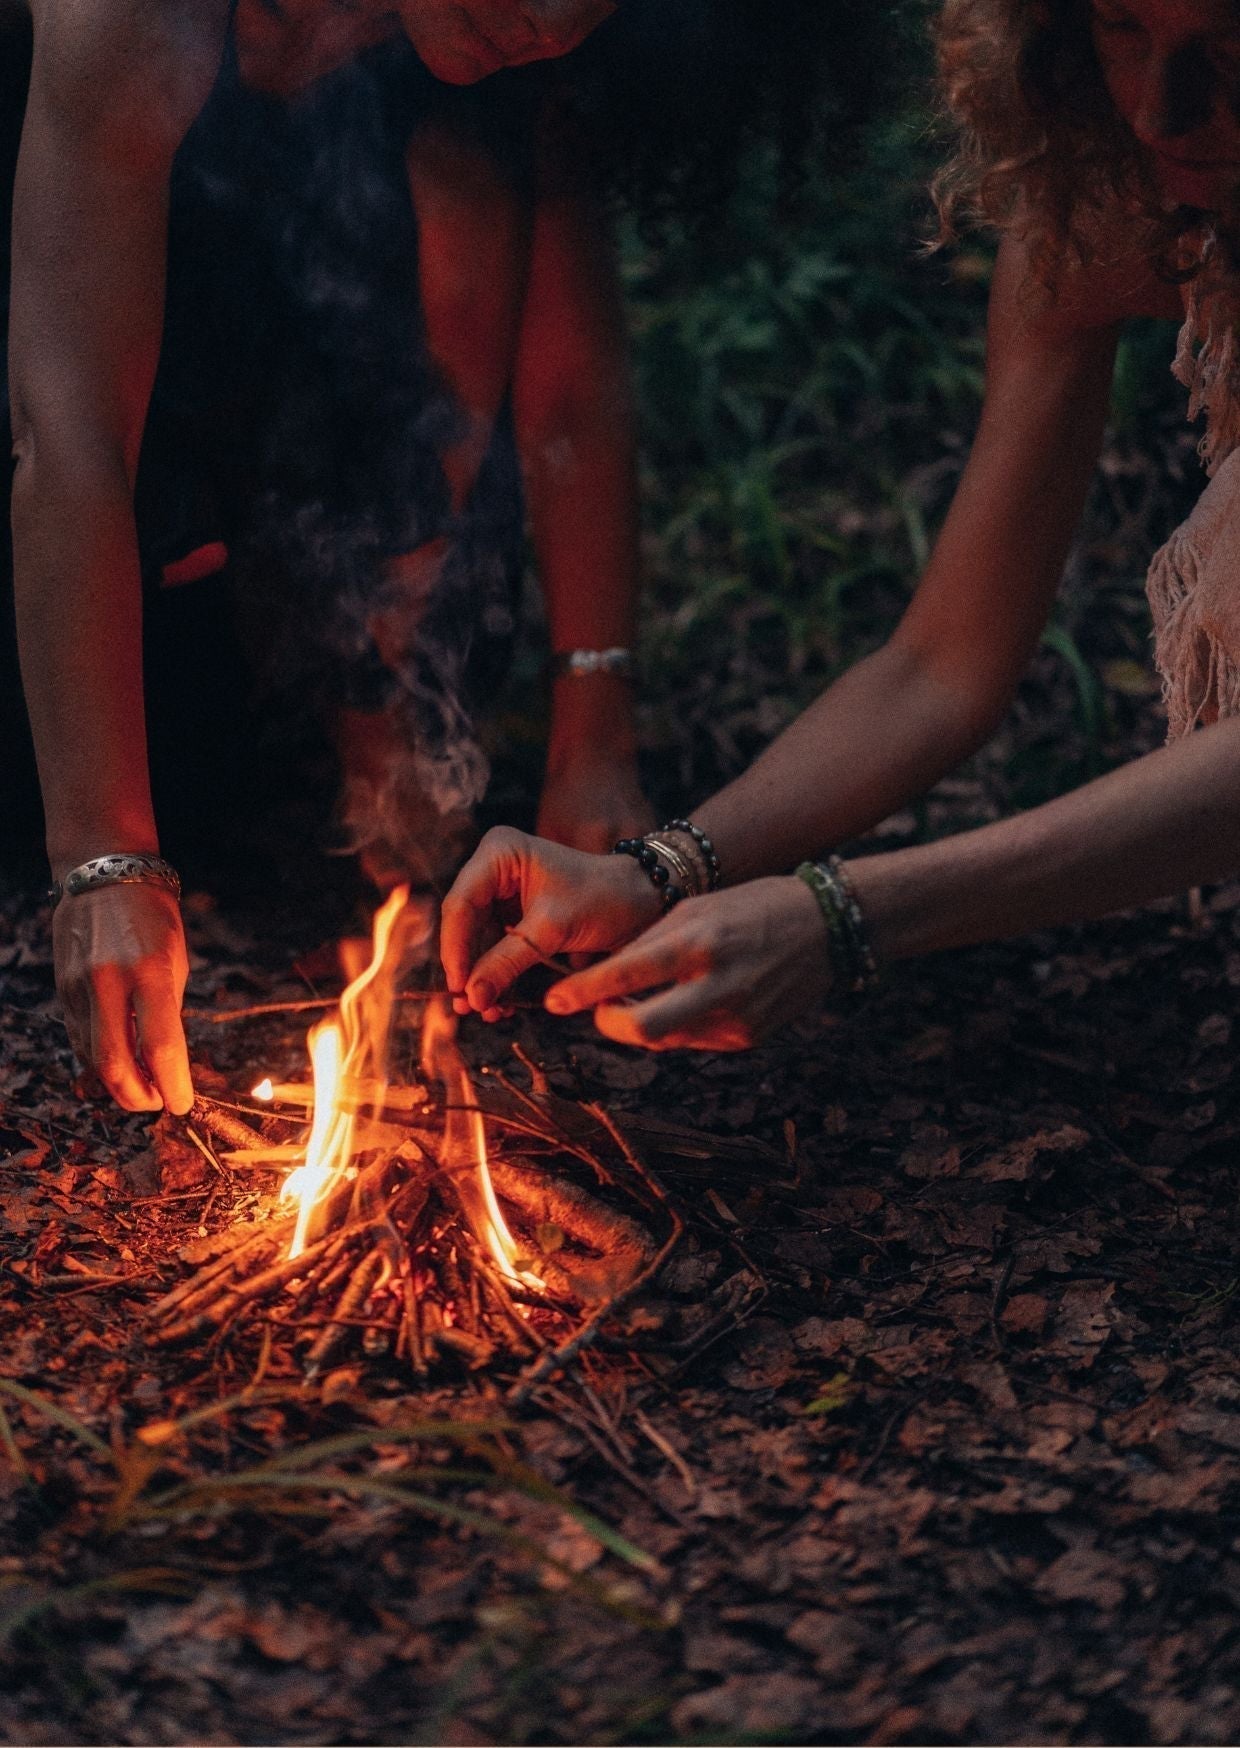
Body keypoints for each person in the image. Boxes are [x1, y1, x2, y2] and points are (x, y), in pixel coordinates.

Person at [9, 0, 890, 1111]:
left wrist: (589, 739)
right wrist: (104, 859)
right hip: (51, 326)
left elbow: (559, 386)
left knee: (247, 768)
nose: (563, 28)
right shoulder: (132, 22)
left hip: (255, 467)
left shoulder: (510, 34)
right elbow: (69, 430)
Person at [442, 0, 1240, 1053]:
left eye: (1227, 46)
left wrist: (838, 915)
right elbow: (939, 666)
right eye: (1121, 30)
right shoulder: (1099, 220)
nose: (1155, 111)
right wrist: (658, 868)